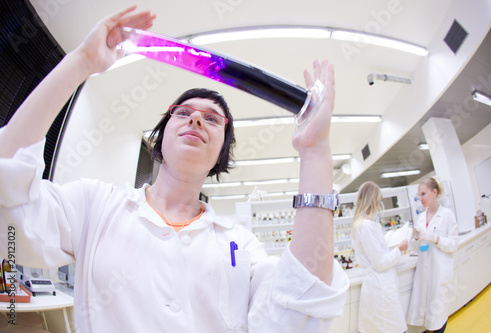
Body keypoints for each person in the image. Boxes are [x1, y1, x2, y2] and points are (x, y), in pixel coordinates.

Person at [0, 5, 349, 332]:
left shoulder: (238, 245)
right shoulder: (94, 205)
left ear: (220, 154)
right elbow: (9, 195)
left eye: (212, 119)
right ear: (160, 137)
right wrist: (79, 62)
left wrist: (316, 153)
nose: (196, 117)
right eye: (182, 112)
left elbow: (301, 304)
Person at [350, 181, 408, 333]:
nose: (379, 204)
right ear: (373, 200)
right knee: (394, 329)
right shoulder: (366, 225)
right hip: (380, 286)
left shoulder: (362, 224)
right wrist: (399, 249)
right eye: (378, 200)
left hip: (379, 285)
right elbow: (380, 263)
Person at [407, 178, 458, 333]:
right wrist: (415, 238)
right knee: (428, 317)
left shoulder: (447, 215)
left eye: (423, 194)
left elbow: (453, 244)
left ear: (434, 192)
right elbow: (418, 249)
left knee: (438, 316)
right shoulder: (421, 217)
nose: (420, 198)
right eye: (418, 195)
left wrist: (435, 238)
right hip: (426, 270)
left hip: (440, 272)